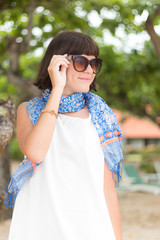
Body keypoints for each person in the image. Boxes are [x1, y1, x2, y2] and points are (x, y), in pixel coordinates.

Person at [5, 30, 123, 240]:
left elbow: (108, 191)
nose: (89, 70)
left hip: (89, 227)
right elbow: (35, 152)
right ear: (58, 63)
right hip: (40, 226)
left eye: (94, 64)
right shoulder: (28, 110)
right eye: (80, 62)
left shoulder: (101, 116)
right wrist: (57, 88)